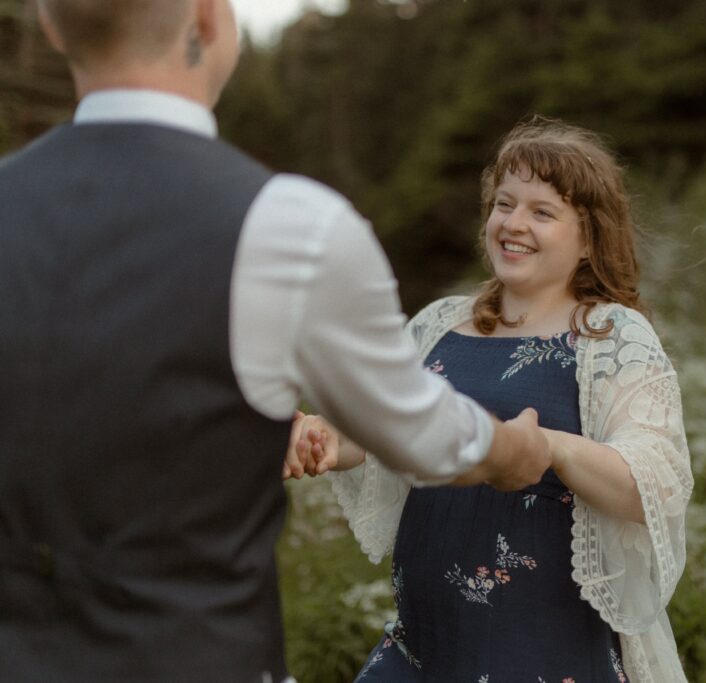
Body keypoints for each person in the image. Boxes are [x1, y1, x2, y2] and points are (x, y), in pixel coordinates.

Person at [0, 1, 550, 681]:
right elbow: (416, 429)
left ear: (51, 28)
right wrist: (513, 449)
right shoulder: (293, 227)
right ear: (206, 20)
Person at [292, 119, 694, 682]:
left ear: (588, 238)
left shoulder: (611, 336)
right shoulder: (438, 323)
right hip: (421, 650)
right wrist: (324, 437)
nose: (513, 223)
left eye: (542, 211)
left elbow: (656, 485)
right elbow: (382, 426)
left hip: (546, 660)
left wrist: (546, 446)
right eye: (504, 204)